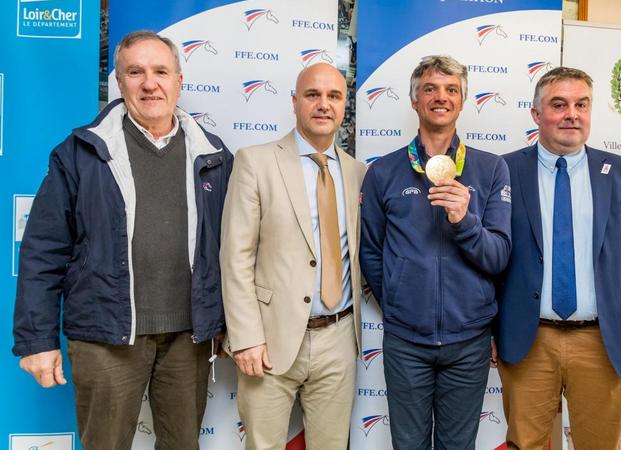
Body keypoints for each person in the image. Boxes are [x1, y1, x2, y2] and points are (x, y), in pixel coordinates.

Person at [12, 30, 233, 449]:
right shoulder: (81, 152)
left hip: (189, 339)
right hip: (106, 336)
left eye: (161, 71)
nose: (150, 83)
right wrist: (37, 340)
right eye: (136, 72)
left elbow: (229, 250)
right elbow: (43, 251)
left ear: (179, 81)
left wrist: (225, 323)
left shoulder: (214, 155)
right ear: (119, 81)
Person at [495, 66, 621, 450]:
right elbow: (490, 255)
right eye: (559, 104)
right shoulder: (502, 170)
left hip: (604, 341)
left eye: (581, 104)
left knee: (600, 445)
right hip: (528, 339)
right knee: (524, 443)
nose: (572, 114)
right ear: (537, 115)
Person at [360, 55, 512, 450]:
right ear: (414, 100)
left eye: (451, 90)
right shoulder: (384, 172)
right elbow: (371, 254)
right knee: (407, 446)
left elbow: (498, 257)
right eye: (430, 88)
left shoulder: (491, 170)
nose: (440, 97)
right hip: (406, 342)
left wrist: (464, 220)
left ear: (462, 102)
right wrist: (398, 300)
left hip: (469, 341)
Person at [220, 62, 366, 450]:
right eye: (312, 95)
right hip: (269, 337)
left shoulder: (357, 172)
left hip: (338, 337)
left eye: (333, 96)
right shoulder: (255, 161)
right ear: (295, 102)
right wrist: (246, 337)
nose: (323, 105)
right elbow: (235, 256)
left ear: (344, 105)